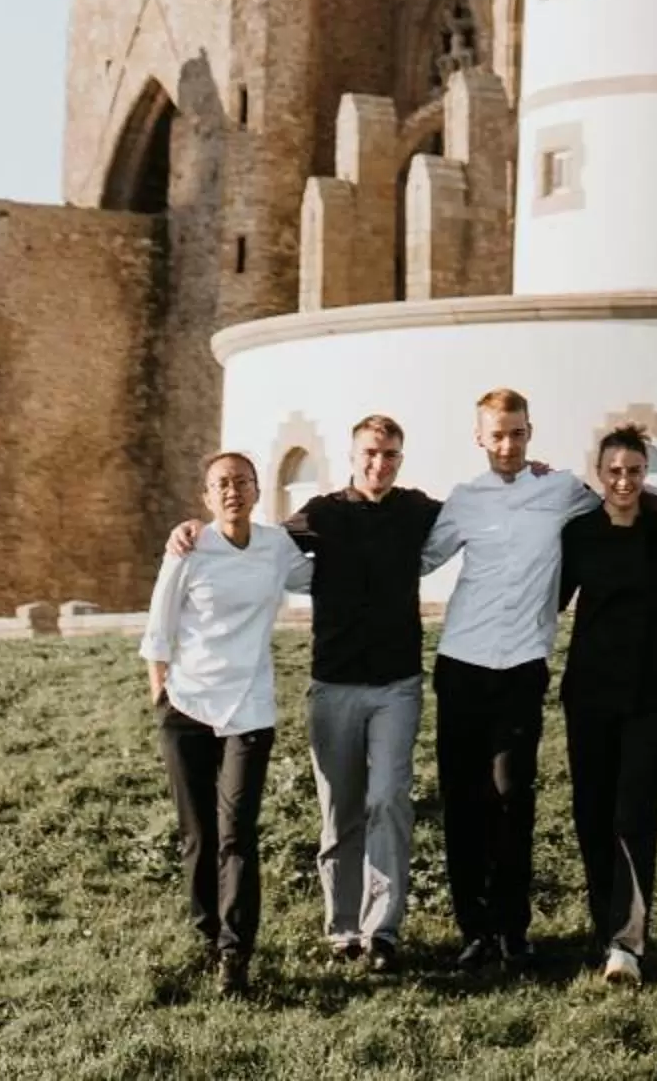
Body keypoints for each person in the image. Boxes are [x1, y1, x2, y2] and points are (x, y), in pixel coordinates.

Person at [420, 387, 602, 974]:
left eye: (517, 433)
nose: (508, 444)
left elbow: (616, 501)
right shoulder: (463, 500)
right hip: (462, 665)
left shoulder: (561, 491)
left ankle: (514, 930)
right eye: (497, 434)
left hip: (522, 667)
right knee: (465, 803)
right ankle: (474, 931)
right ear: (479, 437)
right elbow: (421, 558)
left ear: (531, 432)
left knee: (513, 799)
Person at [139, 451, 312, 996]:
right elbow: (158, 633)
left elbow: (322, 575)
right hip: (187, 708)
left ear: (258, 491)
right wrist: (162, 700)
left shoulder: (276, 548)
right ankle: (205, 936)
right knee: (198, 836)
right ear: (207, 497)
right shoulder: (189, 549)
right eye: (222, 485)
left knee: (237, 834)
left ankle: (235, 956)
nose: (233, 491)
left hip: (249, 709)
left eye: (242, 482)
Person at [288, 414, 443, 974]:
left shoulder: (415, 510)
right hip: (333, 685)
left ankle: (383, 932)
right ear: (353, 456)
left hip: (397, 685)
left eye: (391, 455)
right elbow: (262, 550)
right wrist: (194, 533)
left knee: (388, 801)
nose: (381, 464)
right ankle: (343, 928)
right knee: (340, 812)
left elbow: (477, 517)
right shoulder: (322, 515)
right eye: (372, 454)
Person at [558, 425, 657, 985]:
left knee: (633, 815)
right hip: (588, 693)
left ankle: (627, 944)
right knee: (592, 816)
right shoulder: (578, 533)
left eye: (635, 472)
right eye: (615, 471)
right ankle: (606, 928)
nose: (624, 481)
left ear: (647, 475)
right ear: (599, 474)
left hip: (650, 694)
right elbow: (553, 597)